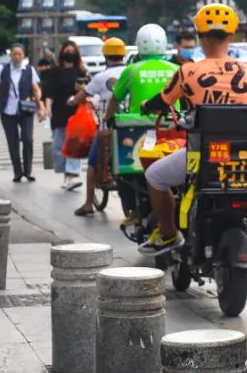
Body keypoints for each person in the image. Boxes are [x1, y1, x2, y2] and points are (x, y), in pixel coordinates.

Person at [138, 4, 247, 255]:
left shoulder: (188, 71)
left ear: (201, 37)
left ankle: (168, 235)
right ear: (230, 36)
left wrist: (145, 106)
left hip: (203, 155)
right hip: (243, 156)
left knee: (154, 176)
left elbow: (161, 102)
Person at [104, 24, 178, 227]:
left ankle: (133, 210)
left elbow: (115, 99)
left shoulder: (132, 70)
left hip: (144, 135)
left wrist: (108, 118)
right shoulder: (176, 69)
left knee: (121, 168)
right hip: (174, 134)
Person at [69, 38, 128, 216]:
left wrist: (72, 101)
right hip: (130, 126)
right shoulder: (130, 72)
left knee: (93, 162)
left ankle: (88, 203)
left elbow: (83, 94)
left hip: (107, 129)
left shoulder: (100, 77)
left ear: (105, 55)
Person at [0, 44, 45, 182]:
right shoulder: (2, 70)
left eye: (20, 54)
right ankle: (17, 172)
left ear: (23, 55)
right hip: (7, 111)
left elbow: (36, 89)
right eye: (15, 54)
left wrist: (40, 106)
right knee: (12, 142)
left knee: (28, 139)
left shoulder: (29, 70)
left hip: (25, 110)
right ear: (10, 55)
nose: (17, 57)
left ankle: (28, 170)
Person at [42, 41, 88, 191]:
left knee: (74, 145)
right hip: (59, 114)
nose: (69, 52)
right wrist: (47, 108)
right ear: (62, 53)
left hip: (77, 114)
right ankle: (66, 175)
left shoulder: (81, 71)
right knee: (59, 146)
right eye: (67, 50)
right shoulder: (55, 71)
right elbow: (48, 92)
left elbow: (89, 91)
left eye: (72, 50)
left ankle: (72, 175)